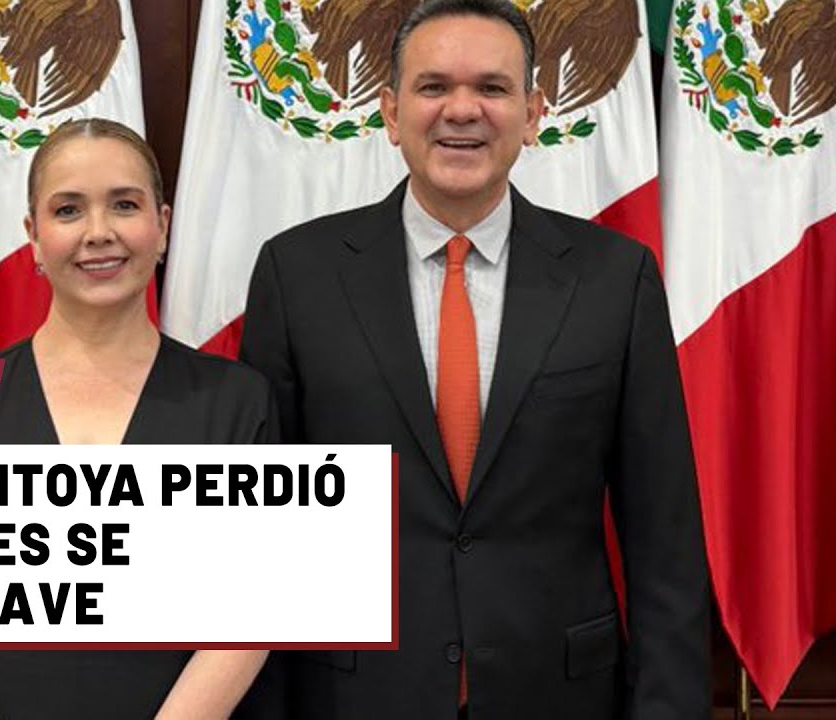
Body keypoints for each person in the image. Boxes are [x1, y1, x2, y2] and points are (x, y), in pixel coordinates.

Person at [239, 1, 710, 718]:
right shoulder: (296, 274)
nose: (462, 110)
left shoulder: (616, 279)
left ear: (533, 113)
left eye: (492, 88)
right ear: (391, 112)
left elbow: (663, 539)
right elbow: (265, 534)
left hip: (559, 696)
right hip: (354, 696)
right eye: (433, 87)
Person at [0, 118, 276, 719]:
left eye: (124, 205)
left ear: (162, 226)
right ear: (34, 238)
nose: (99, 232)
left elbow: (249, 615)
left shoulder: (237, 401)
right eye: (68, 210)